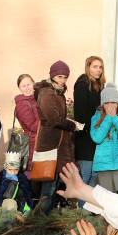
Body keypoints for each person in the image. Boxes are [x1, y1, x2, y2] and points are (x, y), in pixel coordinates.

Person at [34, 61, 81, 210]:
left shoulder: (57, 92)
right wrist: (72, 126)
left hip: (57, 147)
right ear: (52, 76)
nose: (62, 80)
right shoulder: (47, 93)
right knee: (48, 189)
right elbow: (54, 120)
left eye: (65, 77)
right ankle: (42, 219)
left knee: (54, 188)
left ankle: (48, 217)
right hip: (50, 146)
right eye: (59, 76)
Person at [90, 84, 118, 193]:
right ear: (102, 104)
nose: (110, 106)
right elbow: (97, 138)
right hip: (103, 164)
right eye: (107, 103)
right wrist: (108, 118)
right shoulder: (96, 117)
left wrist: (115, 118)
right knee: (107, 196)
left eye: (113, 102)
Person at [73, 56, 106, 188]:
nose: (98, 70)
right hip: (85, 136)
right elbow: (80, 114)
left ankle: (89, 201)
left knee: (94, 176)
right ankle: (81, 201)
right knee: (85, 176)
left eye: (100, 67)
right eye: (95, 67)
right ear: (88, 67)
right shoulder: (82, 85)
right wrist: (95, 123)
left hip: (97, 135)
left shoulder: (100, 86)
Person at [14, 73, 40, 172]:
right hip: (33, 144)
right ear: (19, 88)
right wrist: (50, 120)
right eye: (23, 86)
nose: (27, 88)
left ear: (34, 83)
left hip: (41, 141)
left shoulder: (37, 99)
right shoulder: (22, 104)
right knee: (36, 174)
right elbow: (32, 126)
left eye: (28, 84)